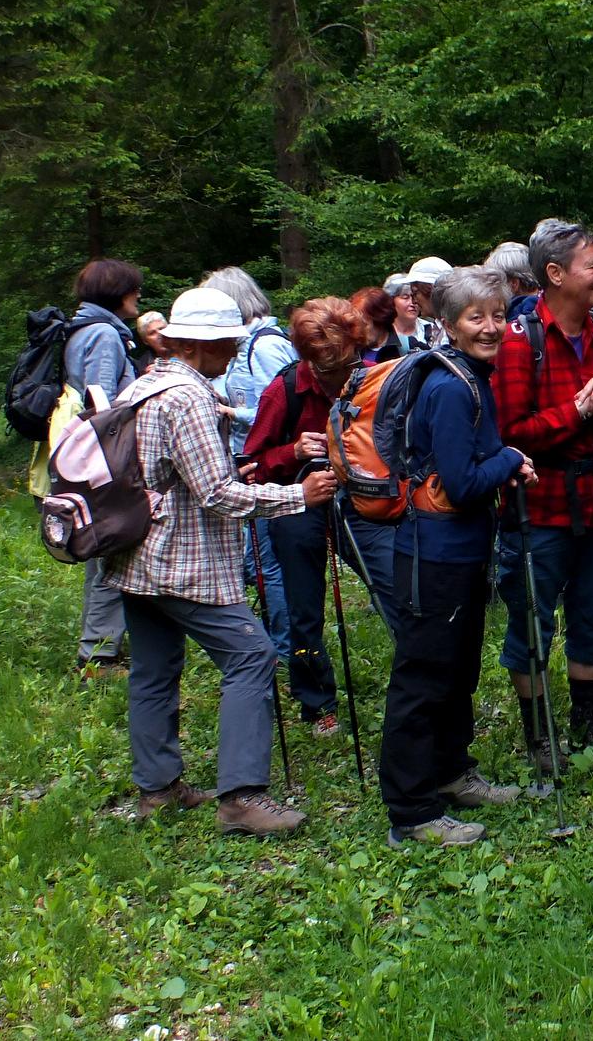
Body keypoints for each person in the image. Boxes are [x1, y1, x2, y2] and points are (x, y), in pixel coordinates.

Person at [105, 286, 337, 835]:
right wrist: (297, 496)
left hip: (135, 556)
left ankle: (158, 789)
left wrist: (239, 472)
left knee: (154, 670)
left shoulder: (144, 386)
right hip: (180, 561)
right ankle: (241, 798)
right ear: (197, 344)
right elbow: (216, 495)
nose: (234, 350)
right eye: (227, 341)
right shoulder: (188, 398)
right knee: (252, 656)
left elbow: (173, 474)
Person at [381, 266, 536, 848]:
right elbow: (463, 481)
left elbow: (475, 461)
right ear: (448, 325)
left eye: (497, 315)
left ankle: (450, 773)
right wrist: (511, 458)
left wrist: (503, 460)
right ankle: (412, 810)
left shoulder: (471, 375)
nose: (491, 327)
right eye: (476, 317)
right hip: (435, 554)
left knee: (457, 669)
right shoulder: (449, 388)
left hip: (461, 549)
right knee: (424, 677)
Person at [493, 220, 593, 767]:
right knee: (532, 620)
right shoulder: (520, 342)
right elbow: (512, 433)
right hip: (538, 507)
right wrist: (581, 409)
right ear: (556, 274)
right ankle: (539, 732)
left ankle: (588, 718)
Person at [244, 298, 381, 734]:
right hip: (297, 502)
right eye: (328, 368)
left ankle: (420, 677)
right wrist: (294, 451)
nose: (340, 376)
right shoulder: (284, 389)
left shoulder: (371, 377)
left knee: (393, 583)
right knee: (303, 609)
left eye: (348, 362)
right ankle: (316, 701)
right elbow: (252, 464)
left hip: (362, 498)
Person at [205, 266, 299, 660]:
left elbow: (277, 408)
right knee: (255, 560)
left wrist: (229, 412)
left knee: (266, 562)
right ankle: (274, 640)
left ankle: (283, 647)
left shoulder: (265, 347)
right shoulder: (246, 346)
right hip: (248, 465)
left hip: (270, 468)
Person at [65, 257, 144, 677]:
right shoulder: (103, 334)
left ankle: (100, 645)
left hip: (89, 456)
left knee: (103, 549)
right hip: (106, 460)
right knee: (110, 550)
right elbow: (103, 405)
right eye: (133, 289)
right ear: (117, 294)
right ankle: (97, 655)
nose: (138, 296)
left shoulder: (81, 329)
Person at [405, 256, 452, 346]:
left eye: (415, 293)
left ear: (431, 290)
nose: (414, 302)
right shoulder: (439, 327)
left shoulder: (454, 329)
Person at [351, 285, 405, 364]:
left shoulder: (405, 348)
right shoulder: (352, 350)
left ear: (380, 321)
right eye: (355, 324)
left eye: (364, 324)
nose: (358, 331)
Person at [486, 241, 540, 319]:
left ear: (513, 284)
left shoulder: (516, 316)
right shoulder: (551, 301)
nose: (489, 290)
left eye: (494, 283)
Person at [386, 274, 429, 354]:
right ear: (391, 301)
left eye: (415, 296)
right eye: (405, 297)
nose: (412, 302)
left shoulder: (432, 329)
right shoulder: (382, 333)